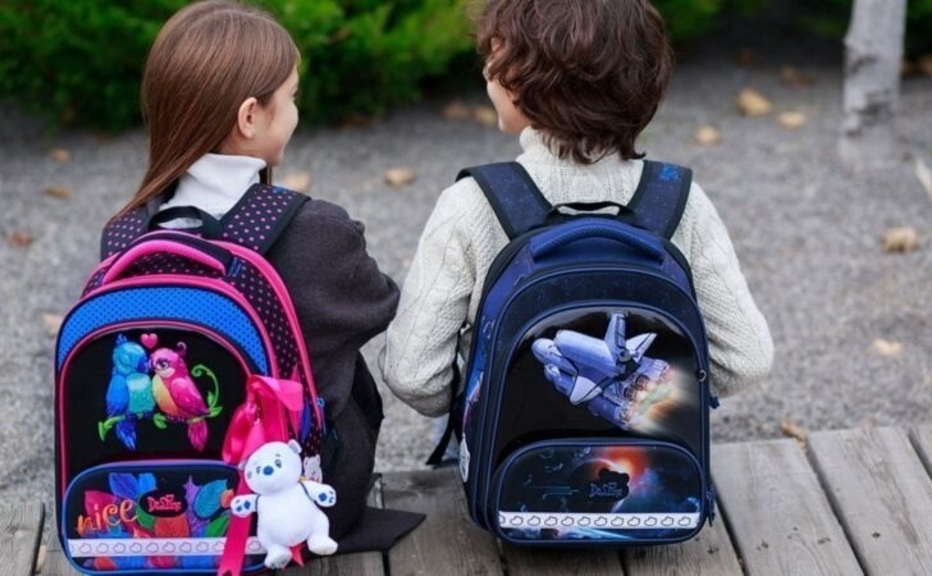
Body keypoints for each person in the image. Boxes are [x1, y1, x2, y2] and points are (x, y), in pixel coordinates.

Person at [380, 0, 773, 423]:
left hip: (509, 454)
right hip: (649, 447)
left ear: (522, 82)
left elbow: (414, 376)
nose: (487, 73)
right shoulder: (679, 199)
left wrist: (488, 396)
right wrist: (668, 398)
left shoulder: (472, 203)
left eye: (494, 60)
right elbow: (745, 361)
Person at [107, 0, 399, 540]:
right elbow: (379, 304)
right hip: (299, 507)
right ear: (249, 117)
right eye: (291, 97)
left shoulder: (125, 238)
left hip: (144, 498)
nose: (295, 112)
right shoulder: (316, 233)